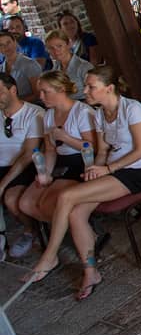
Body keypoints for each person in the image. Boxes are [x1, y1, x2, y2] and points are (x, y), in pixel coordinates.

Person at [23, 66, 141, 300]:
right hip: (113, 171)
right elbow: (102, 151)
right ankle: (91, 272)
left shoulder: (132, 108)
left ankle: (50, 256)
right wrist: (94, 169)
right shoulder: (100, 114)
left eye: (91, 87)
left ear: (109, 88)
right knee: (76, 214)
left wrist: (108, 169)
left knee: (67, 196)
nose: (85, 91)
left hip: (136, 172)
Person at [17, 71, 94, 229]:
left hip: (80, 162)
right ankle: (69, 228)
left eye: (45, 92)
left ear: (61, 90)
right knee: (25, 203)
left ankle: (78, 229)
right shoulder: (49, 115)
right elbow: (50, 150)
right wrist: (45, 173)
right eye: (40, 92)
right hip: (60, 162)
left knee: (47, 203)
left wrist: (67, 138)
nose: (41, 97)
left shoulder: (82, 112)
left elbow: (93, 147)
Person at [0, 72, 44, 261]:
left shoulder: (34, 113)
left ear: (13, 90)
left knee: (11, 199)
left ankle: (30, 230)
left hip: (22, 167)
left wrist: (2, 184)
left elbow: (28, 154)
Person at [44, 30, 92, 99]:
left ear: (68, 44)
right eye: (51, 48)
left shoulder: (84, 67)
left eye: (59, 46)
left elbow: (94, 95)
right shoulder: (55, 67)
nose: (56, 51)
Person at [0, 31, 42, 101]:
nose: (6, 47)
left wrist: (15, 102)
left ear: (15, 43)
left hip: (30, 105)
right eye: (1, 45)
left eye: (8, 42)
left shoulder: (30, 64)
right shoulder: (1, 68)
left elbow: (38, 94)